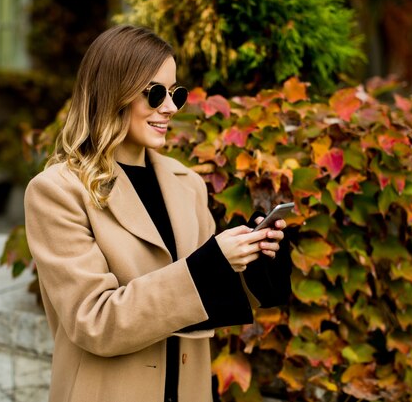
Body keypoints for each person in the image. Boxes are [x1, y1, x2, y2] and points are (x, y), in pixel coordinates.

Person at [24, 24, 292, 402]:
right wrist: (211, 263)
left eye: (174, 93)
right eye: (154, 94)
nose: (169, 107)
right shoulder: (58, 191)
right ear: (113, 93)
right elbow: (95, 322)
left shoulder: (187, 183)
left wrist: (257, 257)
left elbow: (204, 302)